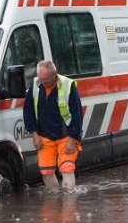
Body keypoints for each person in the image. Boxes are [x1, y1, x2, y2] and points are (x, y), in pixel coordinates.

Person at [23, 60, 83, 192]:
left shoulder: (68, 86)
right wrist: (34, 134)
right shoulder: (35, 85)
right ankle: (53, 204)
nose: (42, 82)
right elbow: (28, 111)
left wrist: (73, 139)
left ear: (54, 76)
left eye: (45, 79)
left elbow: (77, 114)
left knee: (67, 169)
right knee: (46, 171)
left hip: (66, 136)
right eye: (40, 78)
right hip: (44, 136)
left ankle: (68, 205)